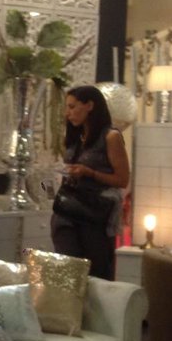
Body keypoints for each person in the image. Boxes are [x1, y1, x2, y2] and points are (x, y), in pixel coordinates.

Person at [50, 84, 130, 281]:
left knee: (96, 272)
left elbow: (122, 179)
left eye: (72, 106)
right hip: (67, 211)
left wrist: (90, 173)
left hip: (94, 214)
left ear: (90, 106)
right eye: (66, 108)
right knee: (68, 271)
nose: (68, 113)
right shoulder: (75, 137)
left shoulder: (111, 137)